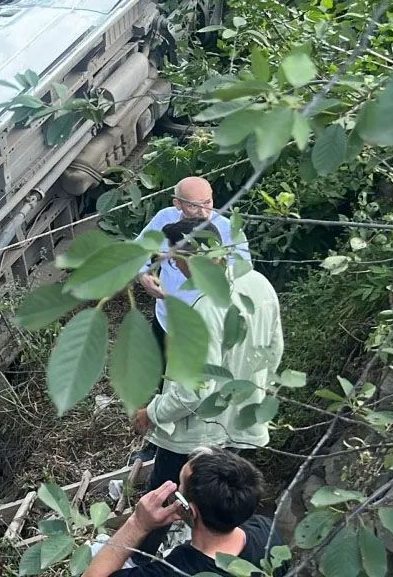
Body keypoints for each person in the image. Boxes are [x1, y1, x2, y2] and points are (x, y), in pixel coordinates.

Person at [132, 218, 283, 555]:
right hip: (241, 420)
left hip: (194, 433)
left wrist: (151, 413)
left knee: (161, 498)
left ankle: (141, 562)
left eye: (175, 260)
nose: (175, 267)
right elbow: (274, 351)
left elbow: (192, 390)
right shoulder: (259, 284)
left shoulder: (200, 310)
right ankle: (227, 557)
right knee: (223, 501)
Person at [84, 447, 283, 577]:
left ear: (191, 511)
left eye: (179, 487)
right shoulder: (267, 534)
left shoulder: (175, 570)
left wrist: (137, 523)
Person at [136, 176, 251, 337]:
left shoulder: (229, 230)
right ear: (177, 203)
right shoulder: (164, 218)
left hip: (206, 321)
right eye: (192, 206)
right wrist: (142, 275)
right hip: (166, 317)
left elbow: (243, 271)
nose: (203, 213)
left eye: (207, 203)